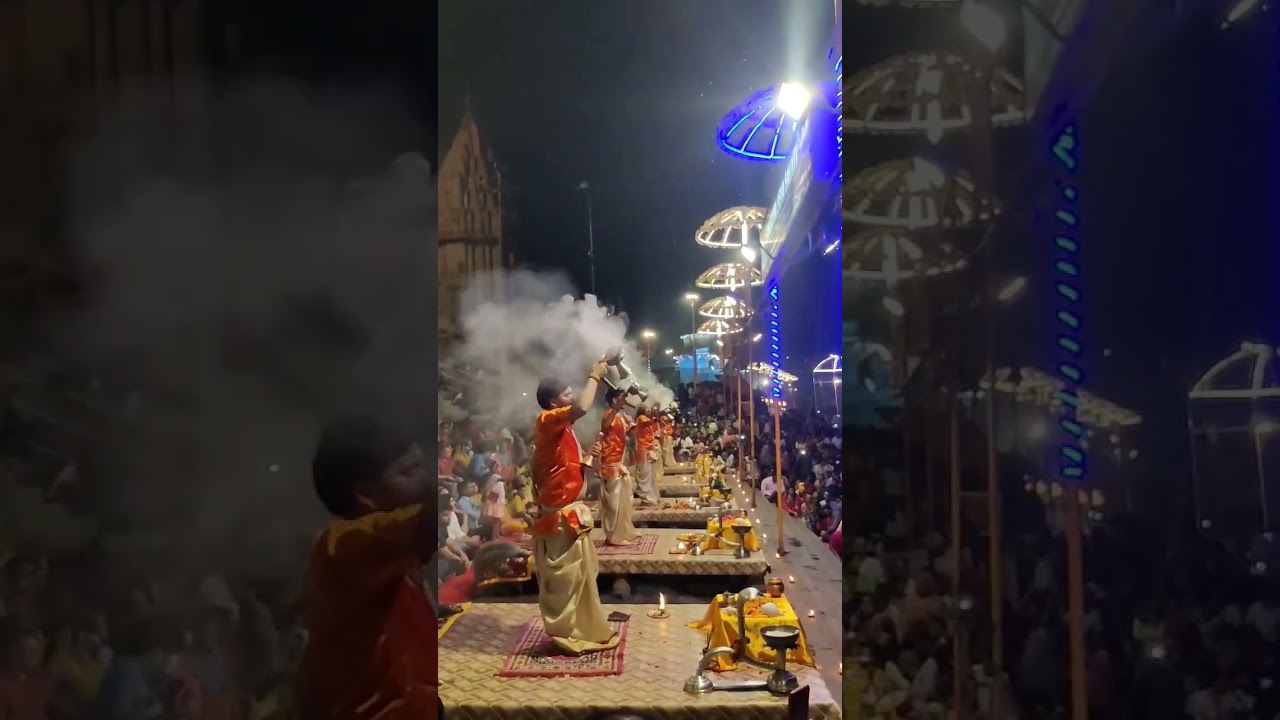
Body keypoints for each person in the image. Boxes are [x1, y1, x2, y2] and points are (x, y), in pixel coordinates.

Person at [299, 416, 438, 719]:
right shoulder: (342, 545)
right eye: (409, 471)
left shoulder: (390, 556)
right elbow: (424, 525)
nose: (426, 480)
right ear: (366, 495)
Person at [531, 362, 621, 655]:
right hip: (558, 517)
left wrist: (585, 460)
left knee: (582, 575)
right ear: (555, 402)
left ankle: (584, 629)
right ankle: (565, 634)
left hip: (569, 512)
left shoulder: (563, 429)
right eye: (568, 394)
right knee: (565, 581)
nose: (573, 397)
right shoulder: (547, 420)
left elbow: (559, 469)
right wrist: (595, 375)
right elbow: (582, 407)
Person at [598, 388, 640, 546]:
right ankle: (614, 537)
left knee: (626, 502)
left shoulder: (621, 417)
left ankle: (624, 532)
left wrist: (633, 425)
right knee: (614, 505)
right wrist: (616, 410)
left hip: (619, 463)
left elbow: (631, 434)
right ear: (614, 400)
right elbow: (606, 425)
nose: (626, 399)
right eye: (623, 397)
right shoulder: (608, 415)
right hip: (610, 464)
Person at [631, 406, 660, 506]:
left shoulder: (648, 419)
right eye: (648, 409)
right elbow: (648, 423)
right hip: (643, 450)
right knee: (644, 475)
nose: (650, 410)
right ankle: (646, 498)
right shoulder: (641, 418)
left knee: (650, 475)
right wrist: (656, 417)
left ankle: (651, 497)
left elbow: (655, 429)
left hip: (649, 450)